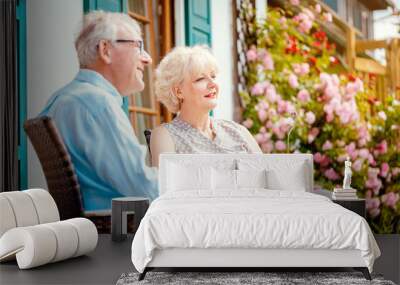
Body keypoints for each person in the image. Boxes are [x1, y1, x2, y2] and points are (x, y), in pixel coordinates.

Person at [39, 11, 158, 211]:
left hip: (90, 230)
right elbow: (146, 189)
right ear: (106, 50)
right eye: (139, 46)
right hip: (119, 232)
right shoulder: (96, 104)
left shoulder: (61, 99)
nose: (148, 59)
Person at [151, 46, 261, 167]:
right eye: (200, 79)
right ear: (179, 92)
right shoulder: (165, 136)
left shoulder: (238, 131)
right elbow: (166, 184)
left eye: (213, 76)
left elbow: (268, 173)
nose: (213, 84)